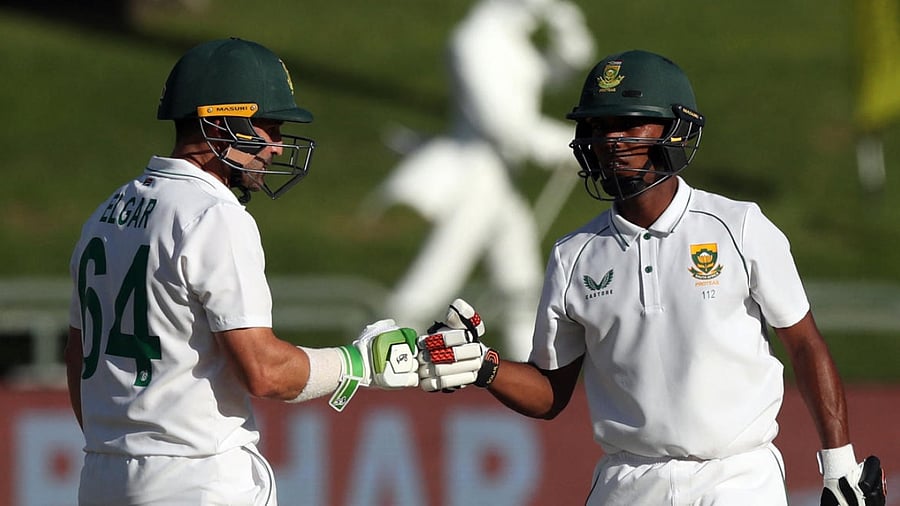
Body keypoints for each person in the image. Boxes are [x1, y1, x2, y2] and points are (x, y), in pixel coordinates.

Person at [416, 50, 887, 505]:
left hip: (738, 476)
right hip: (628, 480)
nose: (611, 140)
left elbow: (804, 344)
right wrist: (485, 367)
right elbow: (549, 394)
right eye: (599, 126)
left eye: (629, 122)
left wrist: (839, 464)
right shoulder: (572, 256)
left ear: (673, 127)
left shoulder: (740, 226)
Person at [64, 37, 419, 506]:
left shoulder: (108, 210)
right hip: (197, 480)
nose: (275, 147)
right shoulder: (214, 214)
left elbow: (78, 359)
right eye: (267, 127)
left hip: (102, 477)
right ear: (219, 120)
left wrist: (127, 449)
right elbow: (265, 372)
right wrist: (360, 362)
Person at [366, 0, 594, 361]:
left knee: (522, 288)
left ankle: (536, 372)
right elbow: (502, 124)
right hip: (475, 180)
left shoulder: (513, 40)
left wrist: (569, 33)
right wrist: (571, 148)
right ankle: (378, 354)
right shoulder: (473, 40)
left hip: (503, 185)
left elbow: (554, 75)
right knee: (433, 283)